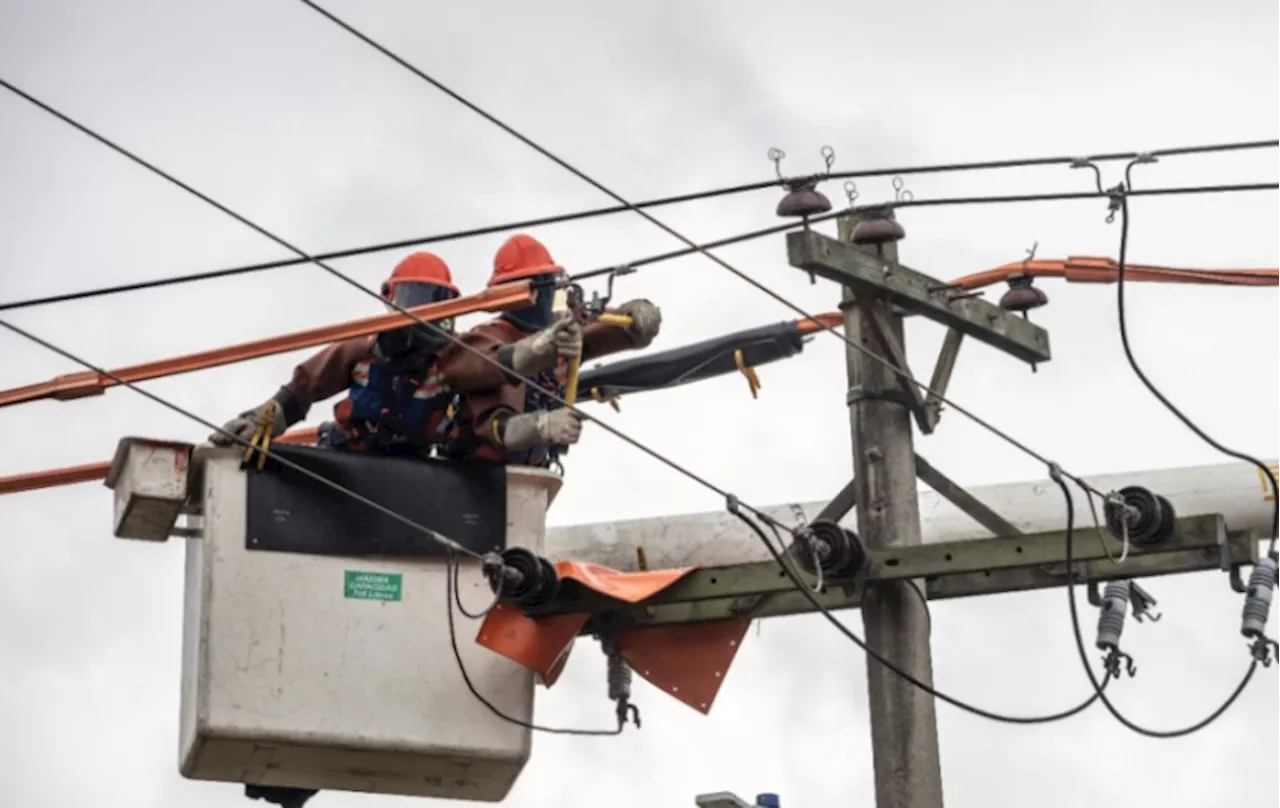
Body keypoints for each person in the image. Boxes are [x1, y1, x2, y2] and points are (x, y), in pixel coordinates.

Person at [209, 250, 580, 457]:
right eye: (414, 299)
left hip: (415, 467)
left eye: (436, 304)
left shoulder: (449, 359)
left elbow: (495, 364)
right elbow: (302, 389)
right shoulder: (363, 349)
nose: (423, 313)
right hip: (351, 454)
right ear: (390, 301)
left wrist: (542, 349)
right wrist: (264, 418)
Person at [436, 233, 662, 467]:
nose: (547, 295)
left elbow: (604, 329)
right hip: (474, 472)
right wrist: (540, 426)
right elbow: (495, 420)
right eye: (541, 284)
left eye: (550, 283)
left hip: (535, 473)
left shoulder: (563, 332)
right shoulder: (486, 337)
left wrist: (635, 317)